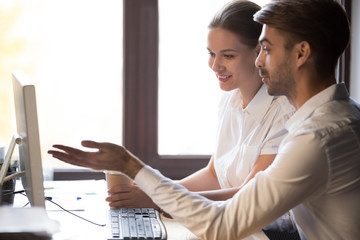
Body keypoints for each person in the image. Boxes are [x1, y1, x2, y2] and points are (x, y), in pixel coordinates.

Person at [48, 0, 360, 239]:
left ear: (301, 53)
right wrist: (152, 195)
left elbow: (224, 223)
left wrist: (134, 169)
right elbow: (218, 179)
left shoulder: (316, 137)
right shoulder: (325, 120)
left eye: (265, 48)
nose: (260, 59)